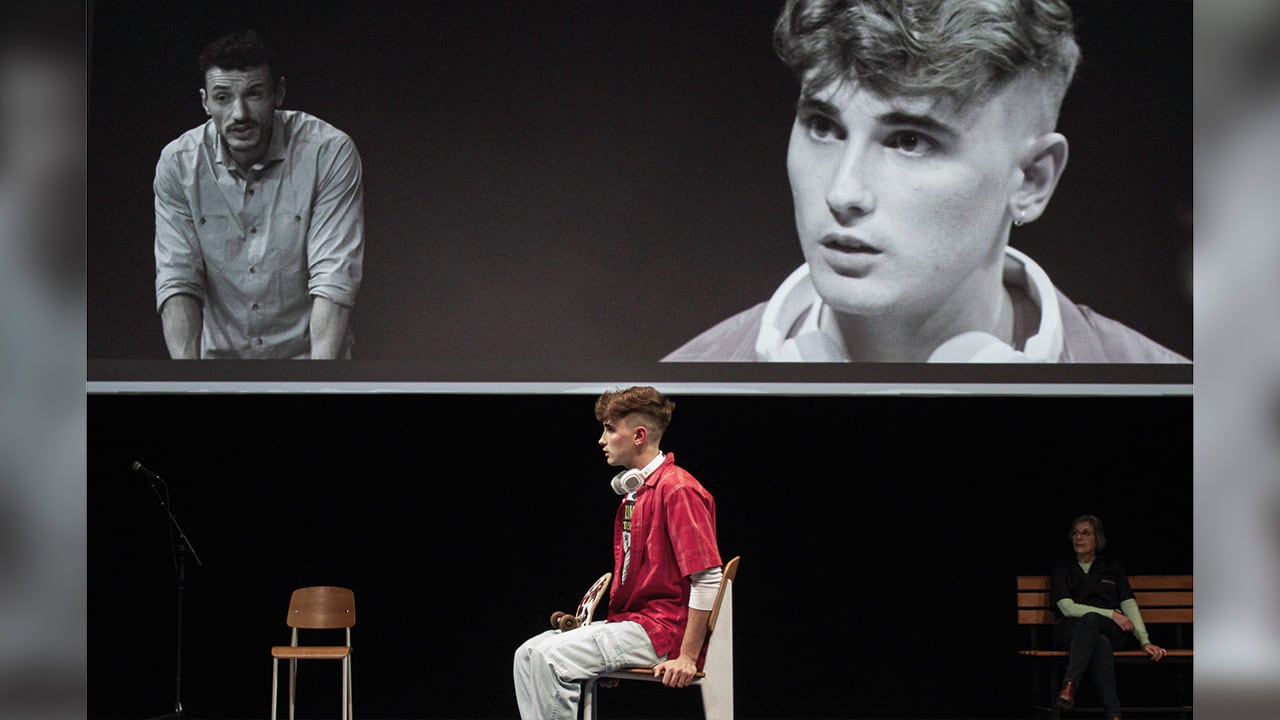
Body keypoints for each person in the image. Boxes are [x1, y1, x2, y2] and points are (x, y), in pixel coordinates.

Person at [663, 0, 1188, 363]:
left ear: (1031, 179)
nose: (843, 193)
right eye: (823, 127)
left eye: (910, 141)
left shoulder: (1192, 419)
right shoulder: (660, 416)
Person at [513, 386, 723, 719]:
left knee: (551, 659)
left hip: (663, 631)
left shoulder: (678, 489)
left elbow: (708, 576)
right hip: (635, 623)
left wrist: (687, 656)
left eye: (610, 429)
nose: (602, 439)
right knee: (527, 654)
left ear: (639, 435)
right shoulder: (635, 493)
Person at [153, 29, 364, 359]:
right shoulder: (178, 164)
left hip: (310, 360)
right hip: (217, 369)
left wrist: (319, 385)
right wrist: (188, 384)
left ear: (278, 93)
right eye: (223, 97)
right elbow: (178, 277)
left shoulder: (328, 152)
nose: (239, 114)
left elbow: (334, 275)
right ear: (205, 101)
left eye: (254, 94)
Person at [1050, 514, 1168, 720]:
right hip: (1071, 631)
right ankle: (1114, 714)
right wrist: (1112, 614)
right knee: (1097, 636)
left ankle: (1069, 687)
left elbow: (1128, 605)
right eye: (1075, 533)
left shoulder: (1112, 567)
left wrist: (1144, 640)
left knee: (1097, 628)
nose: (1079, 538)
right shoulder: (1063, 568)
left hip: (1112, 631)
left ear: (1098, 539)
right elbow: (1067, 608)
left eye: (1086, 533)